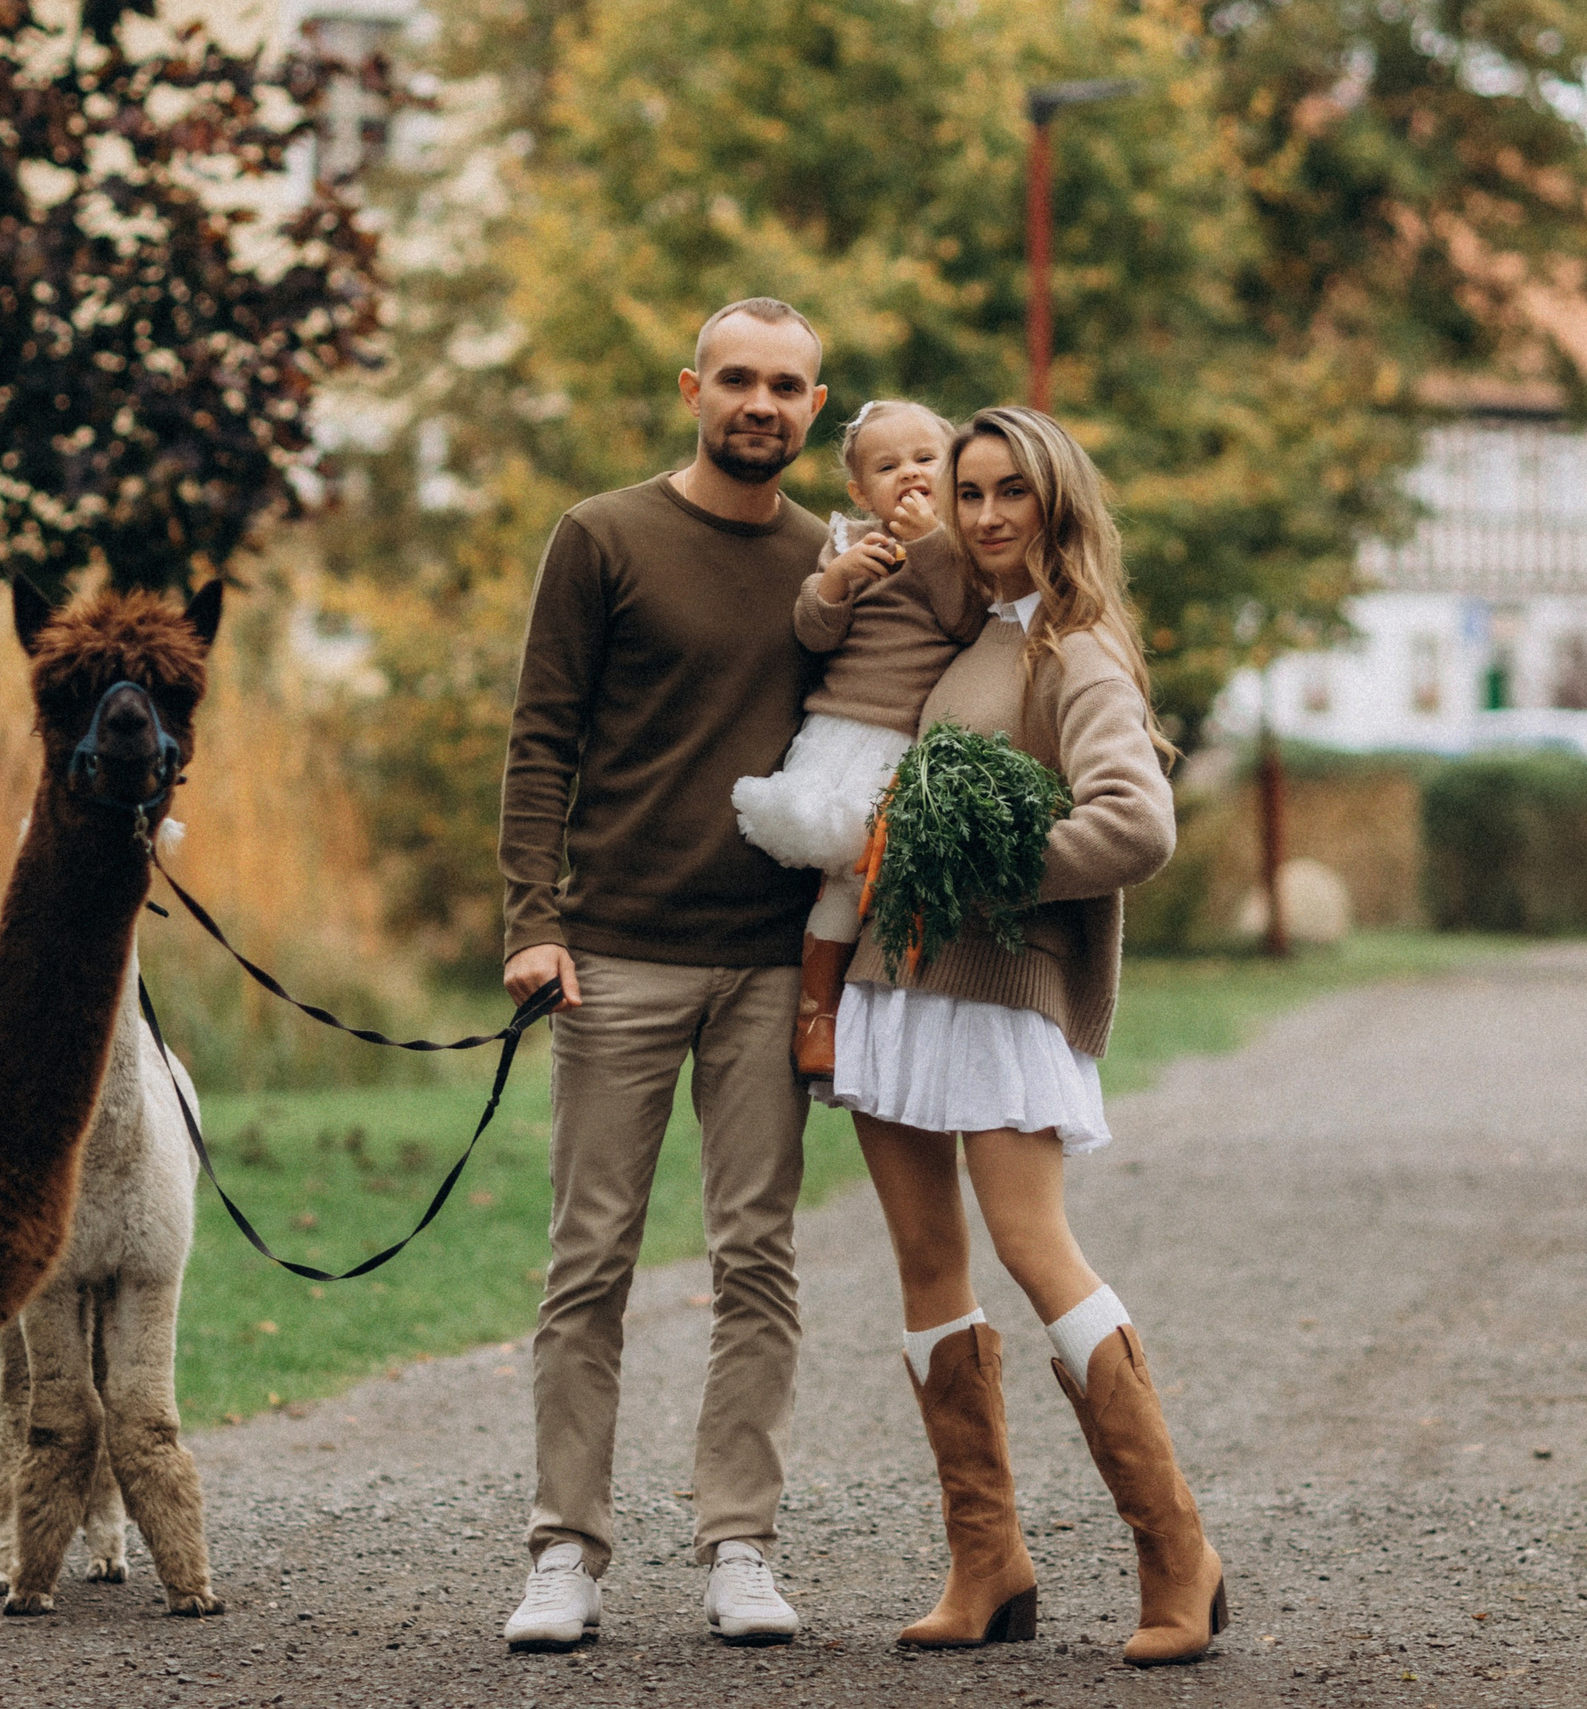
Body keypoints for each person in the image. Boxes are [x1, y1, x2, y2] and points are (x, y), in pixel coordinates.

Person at [815, 405, 1222, 1666]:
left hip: (996, 993)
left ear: (1056, 504)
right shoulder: (965, 625)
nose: (985, 515)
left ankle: (1176, 1552)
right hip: (896, 987)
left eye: (1010, 494)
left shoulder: (1074, 647)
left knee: (1037, 1250)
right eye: (971, 489)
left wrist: (982, 871)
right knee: (927, 1269)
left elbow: (1135, 826)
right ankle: (986, 1560)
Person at [495, 297, 827, 1651]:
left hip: (769, 964)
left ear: (816, 406)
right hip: (615, 954)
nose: (760, 402)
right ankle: (565, 1548)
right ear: (694, 387)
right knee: (591, 1260)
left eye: (788, 385)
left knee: (759, 1256)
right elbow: (540, 739)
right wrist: (533, 915)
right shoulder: (603, 536)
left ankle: (738, 1542)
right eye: (737, 378)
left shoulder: (834, 565)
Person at [729, 398, 979, 1078]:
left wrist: (930, 542)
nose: (909, 474)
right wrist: (835, 580)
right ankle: (818, 1014)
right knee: (838, 880)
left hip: (907, 742)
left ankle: (898, 1023)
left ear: (954, 467)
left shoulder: (960, 545)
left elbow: (962, 619)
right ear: (859, 490)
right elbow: (814, 632)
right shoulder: (845, 541)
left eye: (926, 458)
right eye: (887, 465)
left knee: (887, 884)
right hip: (841, 730)